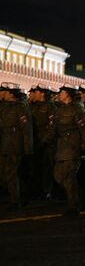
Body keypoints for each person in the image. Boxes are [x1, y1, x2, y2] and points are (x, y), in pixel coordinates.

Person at [46, 84, 85, 217]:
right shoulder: (60, 110)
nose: (59, 94)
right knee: (58, 176)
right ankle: (82, 196)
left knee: (70, 178)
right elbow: (54, 129)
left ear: (67, 94)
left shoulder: (78, 110)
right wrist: (45, 141)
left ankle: (74, 206)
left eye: (62, 92)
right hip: (62, 149)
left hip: (73, 148)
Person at [0, 82, 33, 211]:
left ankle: (16, 201)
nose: (2, 93)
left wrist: (28, 147)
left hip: (15, 144)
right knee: (4, 173)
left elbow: (26, 129)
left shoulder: (21, 108)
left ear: (10, 94)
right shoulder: (4, 106)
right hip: (4, 143)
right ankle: (17, 195)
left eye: (4, 91)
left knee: (11, 173)